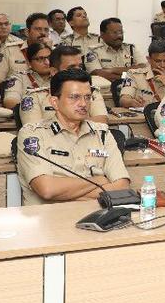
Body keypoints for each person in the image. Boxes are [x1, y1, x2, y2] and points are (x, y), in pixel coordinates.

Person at [15, 67, 130, 205]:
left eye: (87, 97)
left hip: (97, 216)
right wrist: (99, 181)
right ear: (54, 102)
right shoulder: (33, 134)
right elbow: (47, 189)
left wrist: (64, 194)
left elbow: (122, 187)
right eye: (74, 97)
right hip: (48, 220)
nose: (83, 104)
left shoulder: (102, 133)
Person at [8, 45, 109, 125]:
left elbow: (101, 122)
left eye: (80, 66)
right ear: (54, 71)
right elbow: (33, 131)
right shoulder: (34, 97)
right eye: (71, 67)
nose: (78, 71)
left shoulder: (92, 92)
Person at [86, 17, 146, 83]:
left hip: (131, 89)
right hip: (106, 91)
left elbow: (143, 68)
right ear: (102, 34)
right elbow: (97, 73)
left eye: (121, 32)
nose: (119, 36)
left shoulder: (131, 49)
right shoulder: (93, 51)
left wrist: (113, 70)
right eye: (115, 33)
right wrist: (129, 75)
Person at [119, 39, 165, 108]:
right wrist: (131, 102)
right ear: (149, 59)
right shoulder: (134, 75)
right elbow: (123, 100)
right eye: (157, 61)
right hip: (143, 117)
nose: (162, 65)